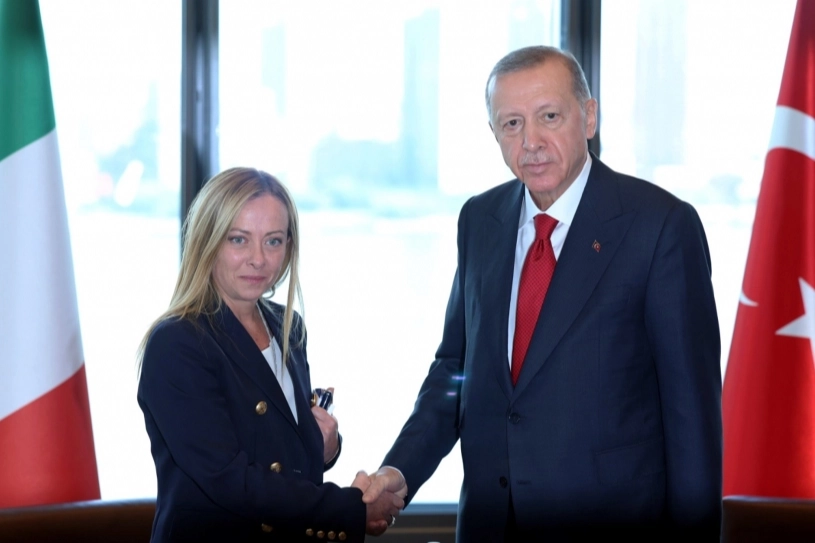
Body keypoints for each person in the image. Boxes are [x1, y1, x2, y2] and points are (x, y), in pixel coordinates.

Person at [362, 46, 722, 541]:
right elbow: (455, 373)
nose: (531, 142)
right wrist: (399, 471)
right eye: (511, 124)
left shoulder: (660, 226)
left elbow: (692, 421)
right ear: (494, 133)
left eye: (549, 117)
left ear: (589, 116)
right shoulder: (479, 221)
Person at [137, 167, 404, 542]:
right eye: (239, 240)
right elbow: (231, 481)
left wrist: (325, 447)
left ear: (289, 247)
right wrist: (349, 509)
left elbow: (279, 455)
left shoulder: (287, 327)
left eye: (273, 241)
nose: (258, 259)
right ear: (207, 241)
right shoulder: (178, 343)